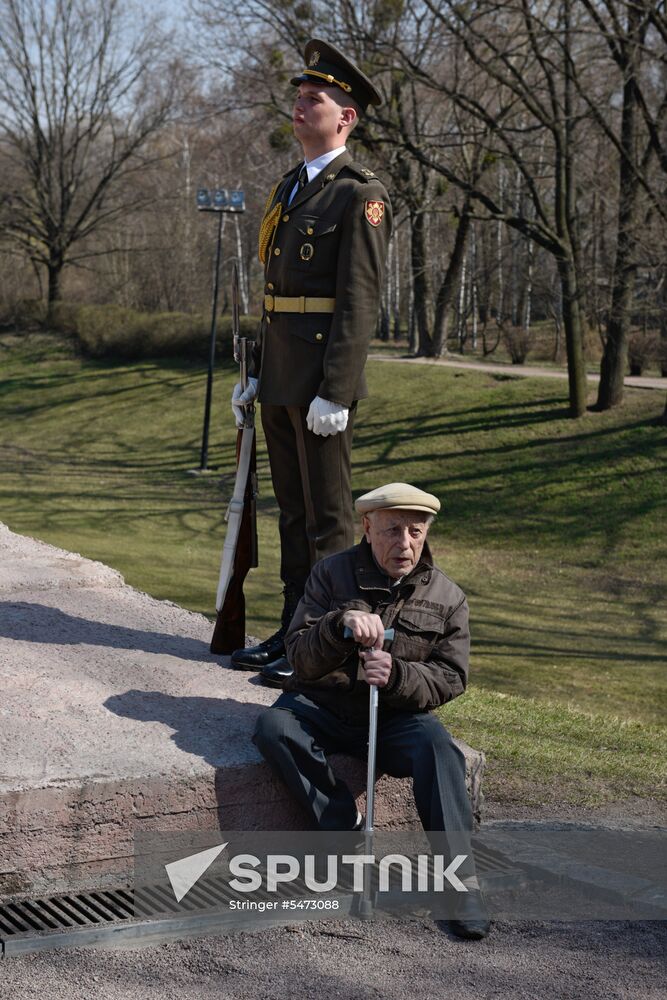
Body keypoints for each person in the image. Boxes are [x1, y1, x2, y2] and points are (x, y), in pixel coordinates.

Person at [252, 482, 491, 940]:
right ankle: (345, 830)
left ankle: (461, 884)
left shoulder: (447, 597)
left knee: (441, 750)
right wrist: (337, 626)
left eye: (415, 532)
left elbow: (452, 676)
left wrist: (398, 674)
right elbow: (298, 655)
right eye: (393, 530)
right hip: (321, 704)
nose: (404, 543)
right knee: (273, 726)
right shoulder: (330, 575)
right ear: (367, 526)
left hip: (395, 716)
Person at [230, 39, 392, 687]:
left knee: (327, 520)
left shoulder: (360, 194)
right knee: (292, 514)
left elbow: (358, 300)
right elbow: (272, 296)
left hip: (322, 384)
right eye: (298, 99)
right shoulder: (291, 187)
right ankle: (293, 632)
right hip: (279, 377)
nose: (298, 108)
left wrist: (338, 390)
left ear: (345, 117)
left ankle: (325, 649)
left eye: (313, 100)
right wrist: (253, 371)